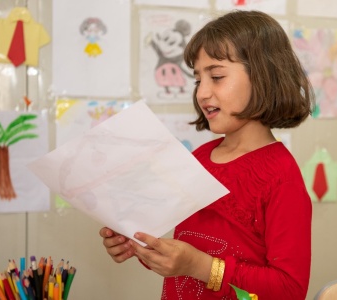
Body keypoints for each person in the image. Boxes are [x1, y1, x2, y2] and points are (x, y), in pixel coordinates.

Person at [99, 10, 314, 300]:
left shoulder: (281, 175)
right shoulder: (199, 158)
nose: (202, 93)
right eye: (198, 80)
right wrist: (139, 245)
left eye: (216, 76)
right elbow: (183, 254)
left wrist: (200, 266)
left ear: (264, 76)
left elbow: (290, 290)